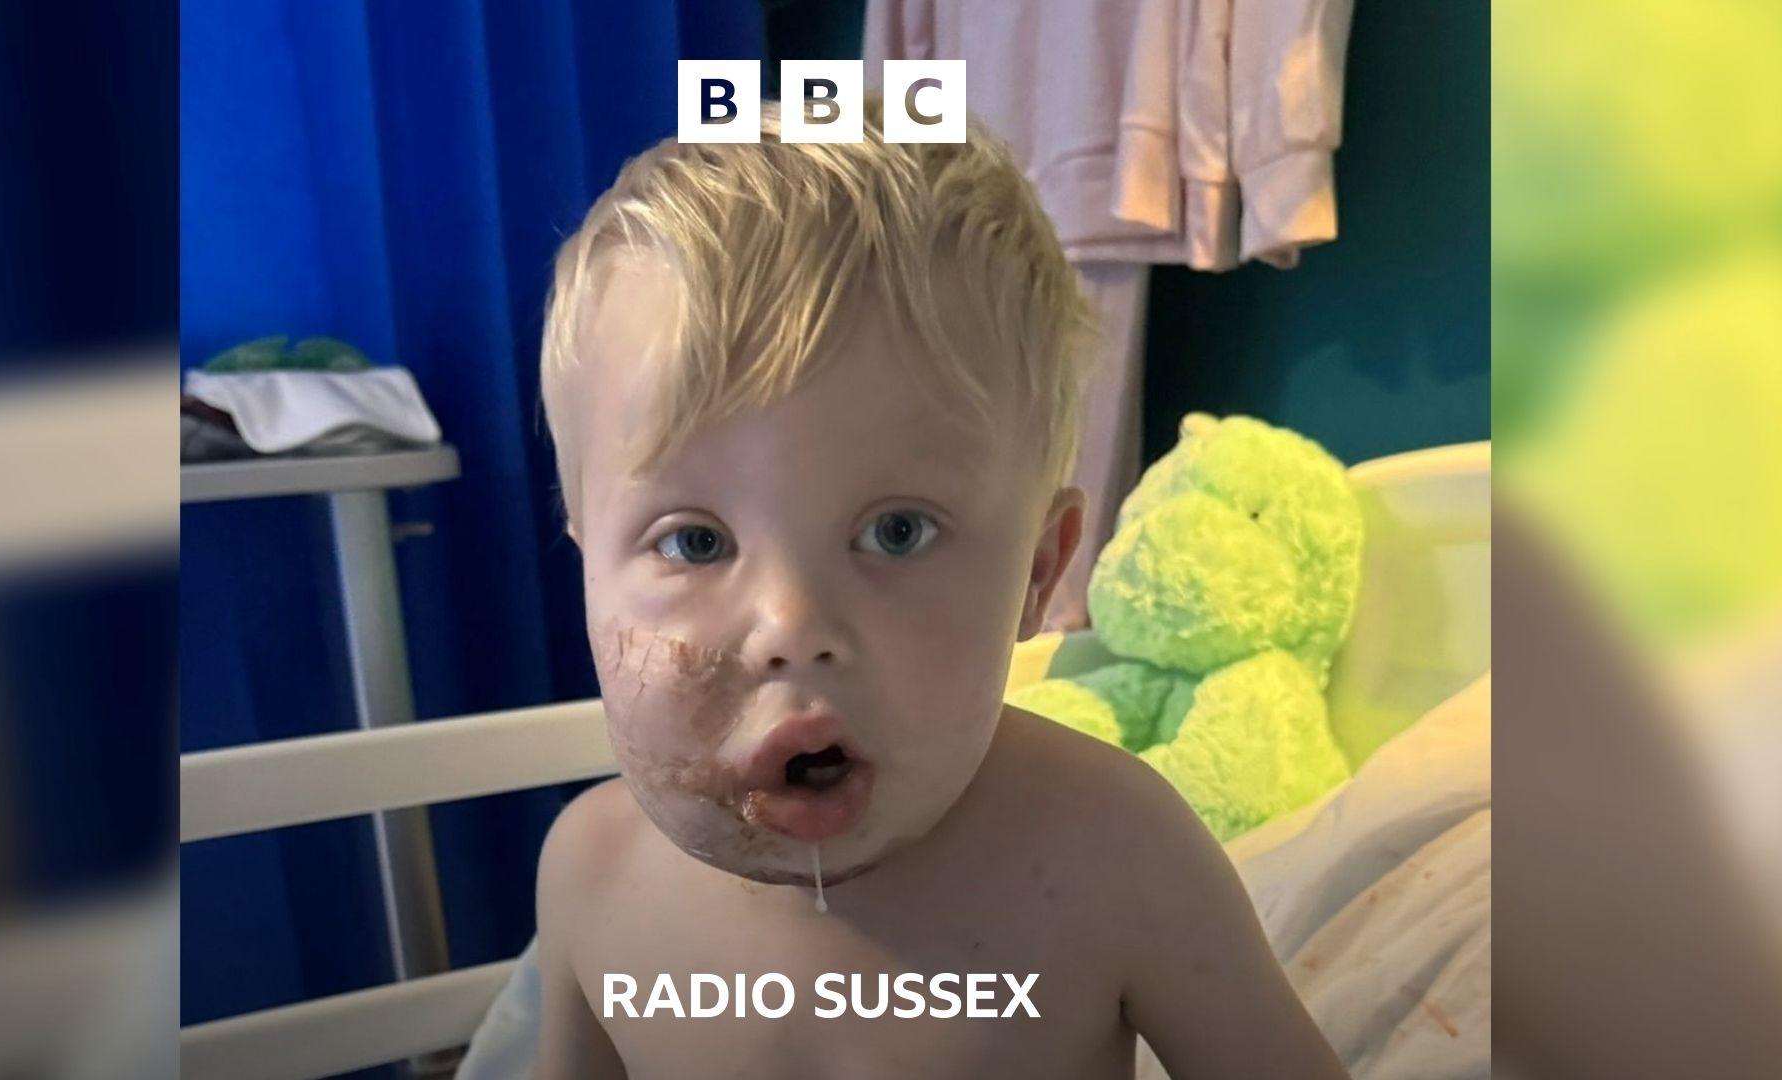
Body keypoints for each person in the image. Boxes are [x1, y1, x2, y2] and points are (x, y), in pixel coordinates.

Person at [528, 101, 1345, 1079]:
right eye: (695, 541)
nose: (790, 628)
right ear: (586, 565)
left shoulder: (1117, 855)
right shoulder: (590, 871)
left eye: (896, 532)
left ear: (1041, 573)